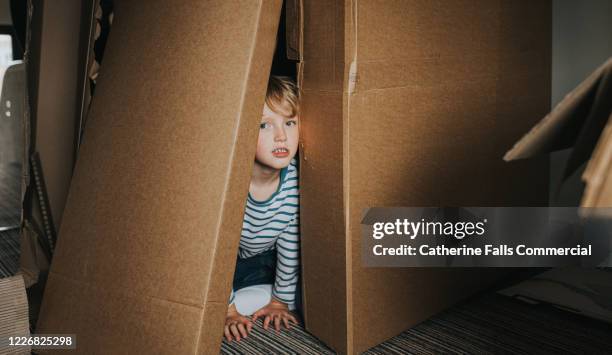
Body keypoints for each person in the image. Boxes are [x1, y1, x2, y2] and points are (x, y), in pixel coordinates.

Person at [223, 76, 300, 342]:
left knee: (312, 287)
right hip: (231, 263)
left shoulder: (295, 182)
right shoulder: (230, 183)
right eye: (264, 125)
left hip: (267, 258)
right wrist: (227, 309)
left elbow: (290, 245)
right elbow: (218, 252)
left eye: (289, 122)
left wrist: (280, 302)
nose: (282, 136)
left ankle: (267, 297)